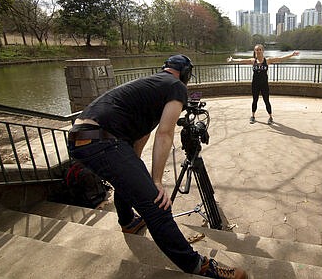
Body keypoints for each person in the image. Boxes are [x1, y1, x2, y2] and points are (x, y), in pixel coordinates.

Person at [67, 54, 247, 279]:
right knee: (156, 204)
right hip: (102, 140)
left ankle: (128, 222)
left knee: (132, 178)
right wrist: (156, 182)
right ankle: (196, 265)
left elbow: (136, 148)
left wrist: (141, 175)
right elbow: (165, 133)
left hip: (80, 135)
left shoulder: (151, 88)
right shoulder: (176, 87)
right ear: (186, 74)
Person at [227, 44, 299, 124]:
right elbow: (241, 60)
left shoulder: (267, 60)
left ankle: (270, 117)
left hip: (264, 85)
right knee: (255, 100)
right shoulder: (253, 61)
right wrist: (233, 60)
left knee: (266, 101)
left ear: (263, 51)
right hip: (255, 84)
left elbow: (280, 59)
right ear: (255, 51)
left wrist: (292, 55)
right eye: (257, 50)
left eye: (260, 49)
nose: (258, 51)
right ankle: (253, 116)